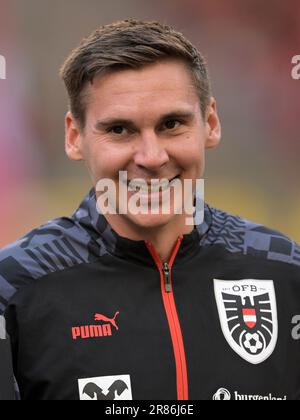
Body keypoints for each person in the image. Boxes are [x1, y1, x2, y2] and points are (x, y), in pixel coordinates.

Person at [0, 19, 299, 401]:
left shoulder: (285, 269)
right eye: (120, 130)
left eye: (171, 124)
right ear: (75, 138)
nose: (152, 157)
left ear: (210, 123)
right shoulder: (15, 287)